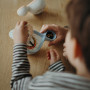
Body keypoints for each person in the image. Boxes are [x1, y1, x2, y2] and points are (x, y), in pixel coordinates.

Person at [11, 0, 90, 90]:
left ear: (76, 49)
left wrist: (19, 44)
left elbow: (18, 84)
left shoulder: (49, 84)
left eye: (70, 32)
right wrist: (57, 70)